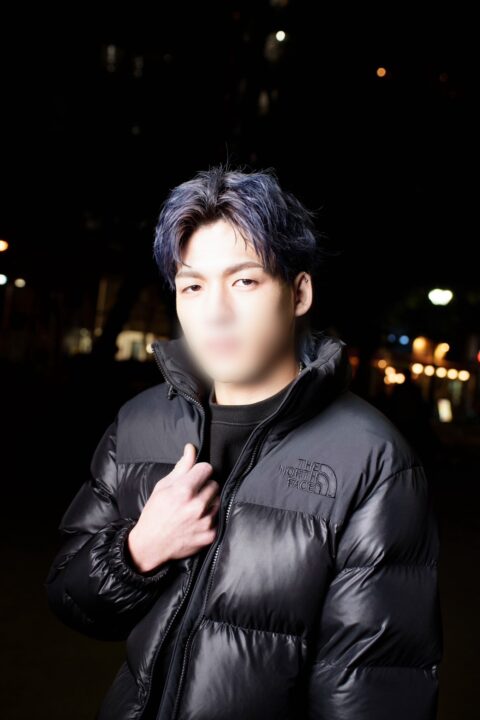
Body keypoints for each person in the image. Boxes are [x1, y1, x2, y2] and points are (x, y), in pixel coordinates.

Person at [44, 164, 443, 720]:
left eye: (245, 281)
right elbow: (69, 598)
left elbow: (371, 695)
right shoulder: (139, 422)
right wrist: (138, 550)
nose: (215, 312)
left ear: (299, 293)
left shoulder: (373, 462)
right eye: (193, 286)